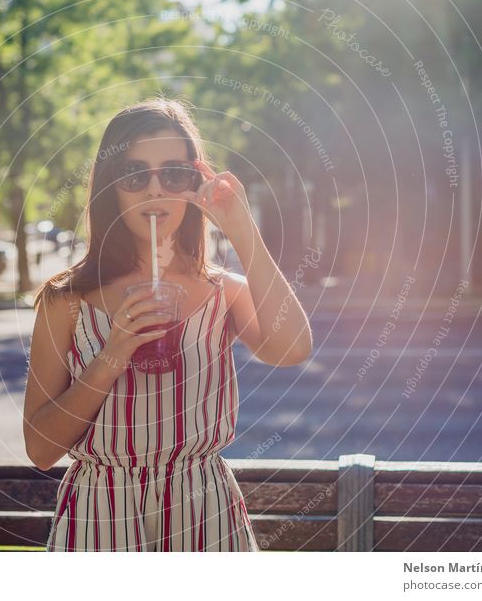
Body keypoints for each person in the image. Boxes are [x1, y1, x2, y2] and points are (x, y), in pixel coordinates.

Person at [23, 97, 312, 551]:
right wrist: (113, 354)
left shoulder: (224, 293)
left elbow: (293, 349)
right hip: (102, 516)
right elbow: (40, 451)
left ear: (192, 182)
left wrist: (241, 228)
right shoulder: (65, 300)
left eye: (174, 173)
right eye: (135, 174)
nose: (154, 190)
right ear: (111, 186)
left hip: (205, 512)